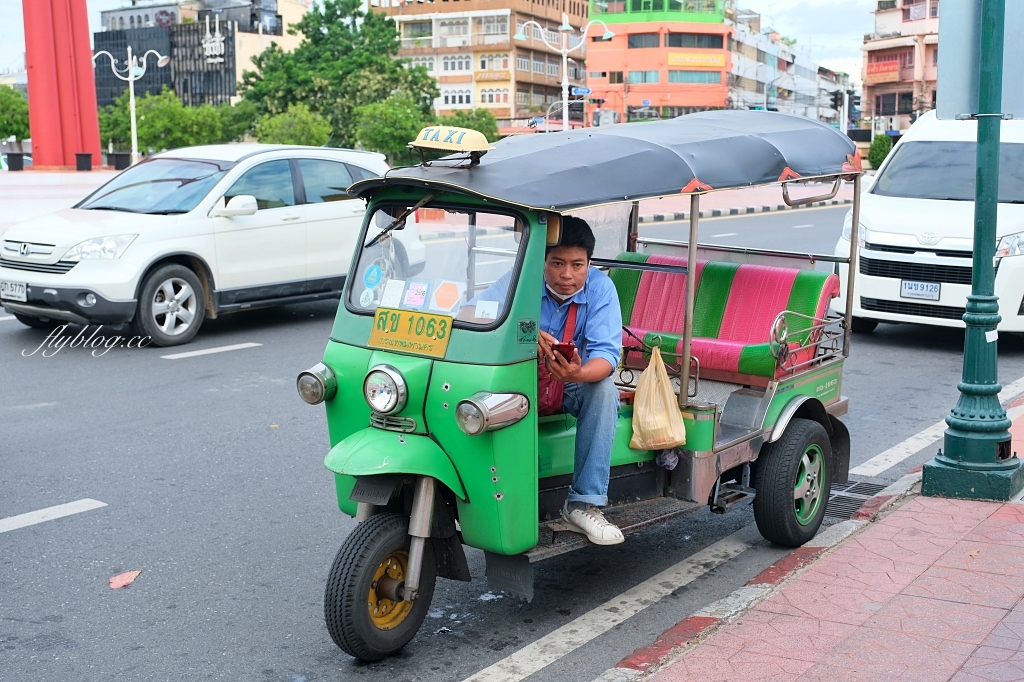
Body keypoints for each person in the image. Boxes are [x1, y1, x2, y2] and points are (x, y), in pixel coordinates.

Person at [460, 216, 624, 545]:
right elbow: (467, 315)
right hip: (523, 380)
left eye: (577, 265)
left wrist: (577, 373)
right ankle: (480, 492)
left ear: (589, 264)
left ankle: (582, 504)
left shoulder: (601, 288)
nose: (567, 275)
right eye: (557, 263)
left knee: (604, 391)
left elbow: (606, 357)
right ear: (542, 261)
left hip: (571, 384)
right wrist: (521, 328)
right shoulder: (521, 279)